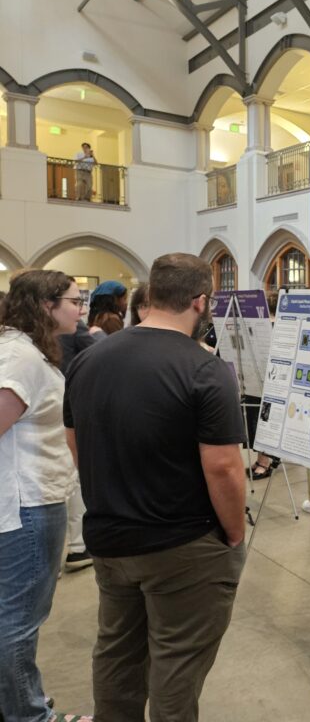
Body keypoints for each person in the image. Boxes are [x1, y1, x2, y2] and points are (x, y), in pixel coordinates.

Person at [63, 253, 247, 722]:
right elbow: (224, 467)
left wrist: (110, 492)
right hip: (182, 542)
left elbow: (75, 440)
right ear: (200, 301)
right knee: (177, 661)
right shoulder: (205, 371)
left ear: (150, 296)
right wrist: (233, 534)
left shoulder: (88, 359)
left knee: (118, 652)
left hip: (110, 537)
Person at [0, 269, 91, 722]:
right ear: (45, 306)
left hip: (26, 499)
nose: (81, 309)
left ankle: (19, 704)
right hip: (29, 504)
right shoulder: (22, 359)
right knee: (17, 621)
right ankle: (30, 716)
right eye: (74, 301)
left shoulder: (19, 350)